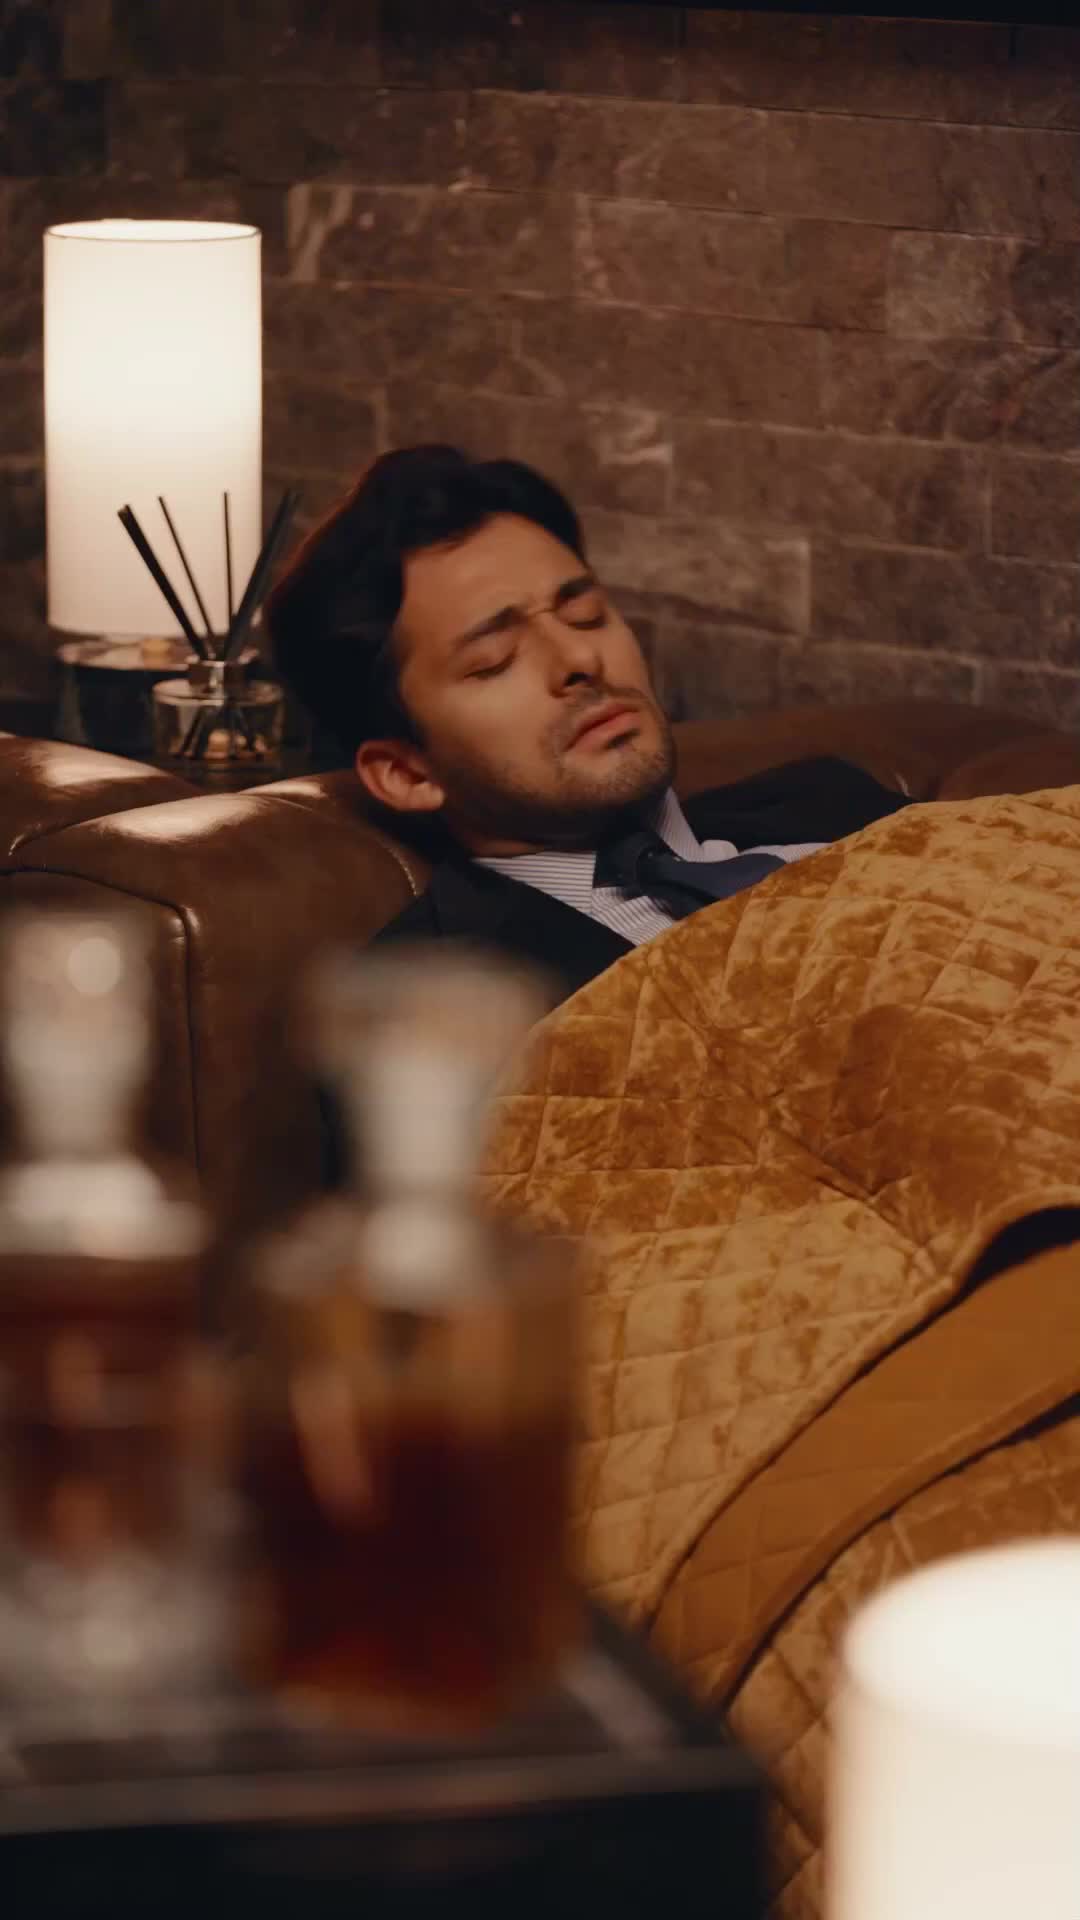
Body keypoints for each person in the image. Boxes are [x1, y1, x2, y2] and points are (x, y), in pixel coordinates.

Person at [268, 446, 907, 1005]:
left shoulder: (834, 800)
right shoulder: (433, 1010)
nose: (580, 658)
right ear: (407, 773)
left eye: (586, 614)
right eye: (495, 661)